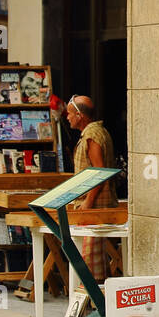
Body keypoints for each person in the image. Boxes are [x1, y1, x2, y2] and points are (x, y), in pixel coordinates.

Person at [64, 94, 119, 279]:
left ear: (80, 115)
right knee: (95, 255)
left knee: (89, 255)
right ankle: (97, 298)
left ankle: (92, 298)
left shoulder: (93, 135)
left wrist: (88, 201)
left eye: (70, 114)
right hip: (93, 204)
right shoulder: (92, 133)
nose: (67, 117)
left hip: (96, 205)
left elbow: (99, 171)